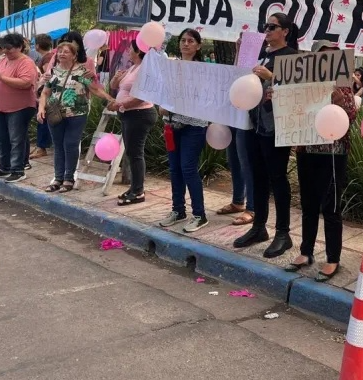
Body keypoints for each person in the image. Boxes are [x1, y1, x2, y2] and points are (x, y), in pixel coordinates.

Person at [286, 40, 357, 282]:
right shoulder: (303, 85)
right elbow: (291, 111)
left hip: (333, 153)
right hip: (307, 150)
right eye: (322, 57)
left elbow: (351, 117)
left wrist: (339, 100)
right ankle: (306, 252)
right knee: (308, 204)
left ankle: (332, 258)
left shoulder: (343, 86)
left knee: (331, 207)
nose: (327, 62)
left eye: (332, 57)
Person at [234, 13, 299, 256]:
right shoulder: (261, 55)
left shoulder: (293, 57)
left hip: (276, 127)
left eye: (272, 27)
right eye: (265, 26)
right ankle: (259, 226)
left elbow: (299, 92)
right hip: (254, 123)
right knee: (257, 176)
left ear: (285, 31)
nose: (267, 30)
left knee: (277, 178)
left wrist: (271, 77)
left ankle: (283, 233)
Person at [37, 41, 112, 192]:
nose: (62, 54)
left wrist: (110, 99)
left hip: (77, 114)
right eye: (60, 51)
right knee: (58, 146)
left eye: (66, 51)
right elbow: (45, 92)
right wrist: (41, 108)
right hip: (55, 113)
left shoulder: (82, 72)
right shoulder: (53, 72)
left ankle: (68, 178)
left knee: (70, 144)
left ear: (74, 55)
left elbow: (95, 89)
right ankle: (58, 178)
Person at [157, 29, 210, 233]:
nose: (186, 44)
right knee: (175, 169)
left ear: (198, 45)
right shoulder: (171, 66)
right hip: (172, 124)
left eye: (190, 41)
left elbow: (201, 97)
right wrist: (162, 104)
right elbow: (162, 89)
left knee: (188, 168)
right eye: (183, 40)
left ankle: (200, 214)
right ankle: (178, 210)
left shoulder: (203, 70)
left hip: (194, 126)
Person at [107, 39, 157, 206]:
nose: (128, 51)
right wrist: (116, 78)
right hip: (128, 114)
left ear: (138, 51)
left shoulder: (144, 69)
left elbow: (143, 96)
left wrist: (120, 104)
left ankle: (138, 191)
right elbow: (116, 86)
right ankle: (134, 187)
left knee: (135, 153)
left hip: (140, 114)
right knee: (131, 152)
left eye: (131, 48)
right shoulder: (132, 68)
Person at [0, 33, 39, 183]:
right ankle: (4, 167)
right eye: (4, 48)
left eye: (10, 49)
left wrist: (0, 77)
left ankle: (18, 169)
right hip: (0, 105)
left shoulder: (26, 62)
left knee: (16, 139)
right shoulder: (2, 60)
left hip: (19, 106)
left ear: (20, 47)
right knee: (1, 138)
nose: (6, 51)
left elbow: (25, 83)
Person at [218, 33, 254, 224]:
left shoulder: (263, 57)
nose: (241, 41)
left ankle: (252, 208)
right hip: (233, 115)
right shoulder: (240, 59)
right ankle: (238, 201)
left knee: (246, 162)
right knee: (233, 159)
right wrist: (239, 52)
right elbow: (235, 78)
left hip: (247, 118)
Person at [31, 33, 55, 159]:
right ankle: (41, 146)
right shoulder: (48, 57)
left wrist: (39, 89)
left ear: (38, 46)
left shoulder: (47, 58)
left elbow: (48, 76)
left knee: (42, 119)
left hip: (44, 93)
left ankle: (42, 147)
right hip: (43, 92)